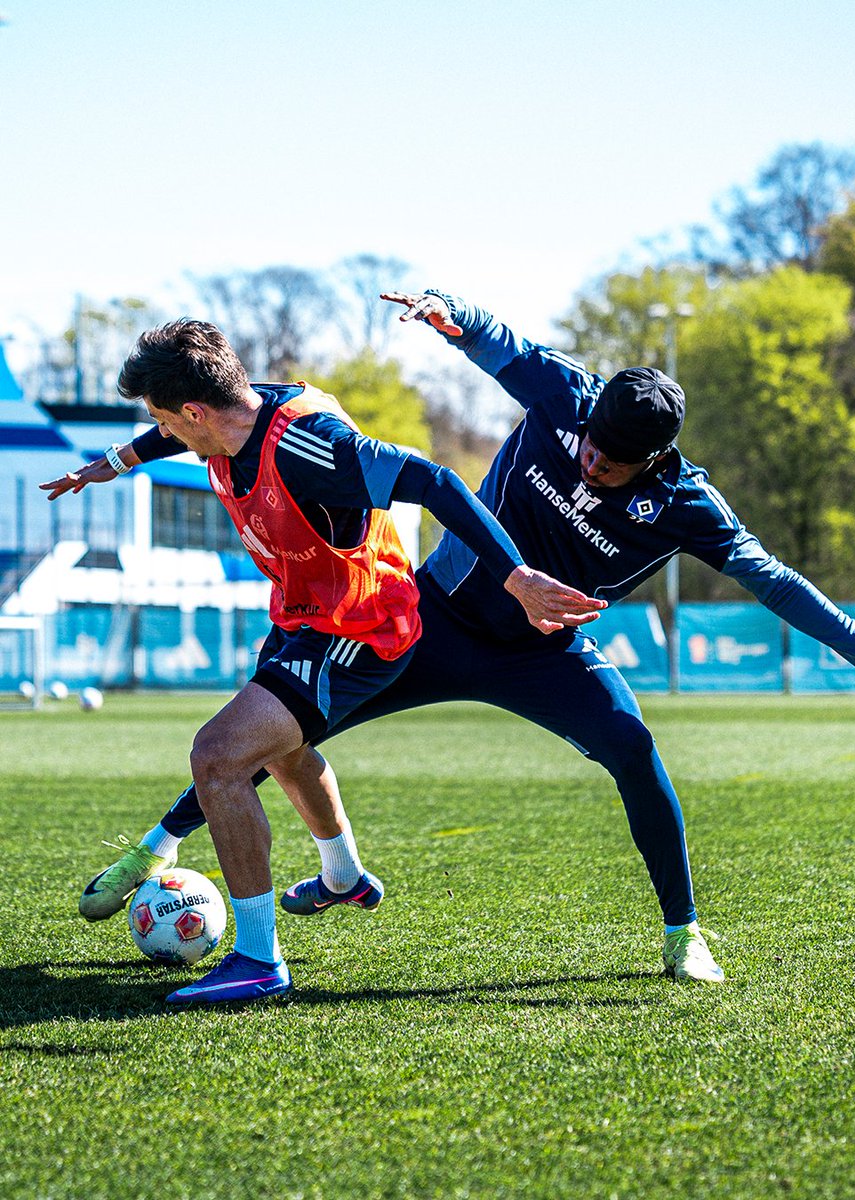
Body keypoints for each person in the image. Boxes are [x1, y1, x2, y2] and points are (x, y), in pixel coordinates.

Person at [52, 293, 855, 990]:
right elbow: (500, 345)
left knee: (636, 753)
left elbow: (775, 580)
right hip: (430, 622)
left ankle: (683, 933)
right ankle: (173, 851)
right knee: (277, 733)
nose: (592, 462)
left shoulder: (686, 505)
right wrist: (450, 314)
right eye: (590, 446)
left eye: (613, 462)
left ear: (661, 459)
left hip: (547, 654)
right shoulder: (567, 397)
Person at [42, 318, 603, 1006]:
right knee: (284, 750)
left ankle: (258, 960)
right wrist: (117, 462)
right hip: (304, 614)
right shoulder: (226, 415)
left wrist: (516, 576)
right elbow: (170, 430)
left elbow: (433, 480)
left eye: (165, 418)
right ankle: (343, 876)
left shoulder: (312, 447)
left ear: (195, 411)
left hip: (360, 625)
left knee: (219, 756)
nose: (164, 431)